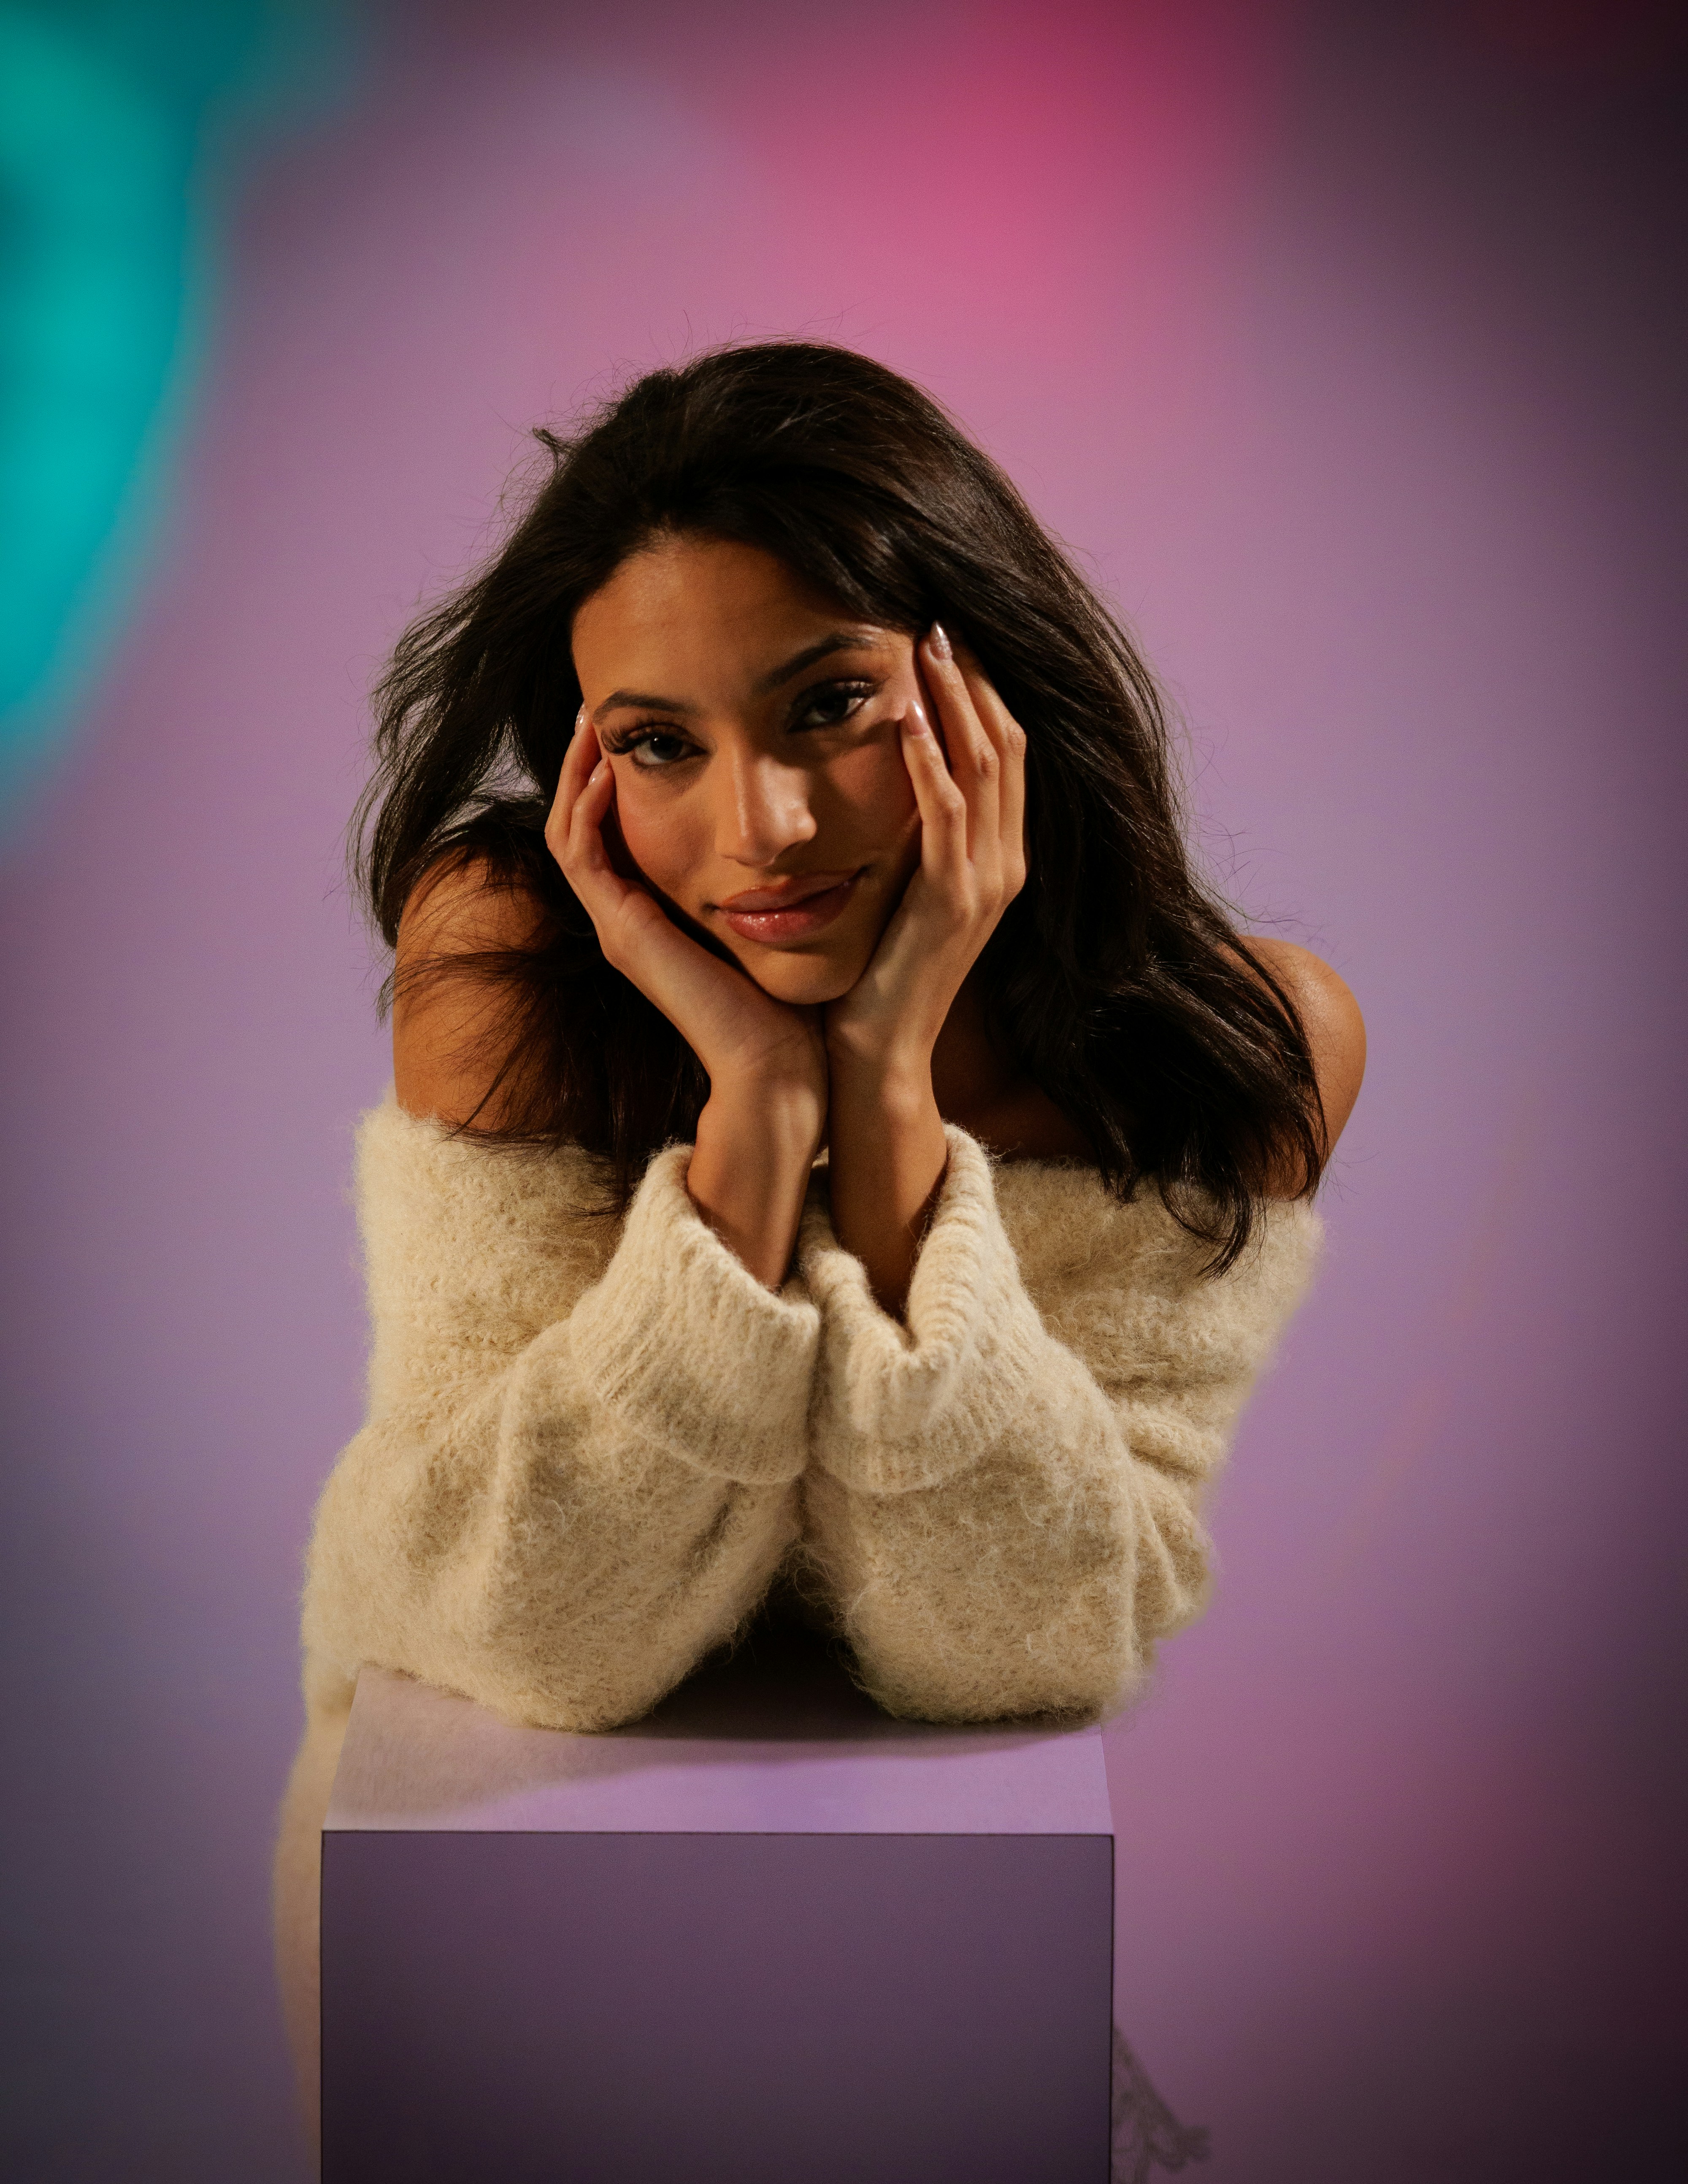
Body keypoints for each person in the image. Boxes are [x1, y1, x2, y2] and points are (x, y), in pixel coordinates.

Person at [273, 341, 1365, 2146]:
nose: (758, 829)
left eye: (829, 707)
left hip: (942, 1976)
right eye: (656, 745)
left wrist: (886, 1111)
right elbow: (527, 1622)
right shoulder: (507, 964)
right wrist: (751, 1128)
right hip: (486, 1971)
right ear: (584, 765)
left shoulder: (1232, 1054)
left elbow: (1014, 1637)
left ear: (978, 682)